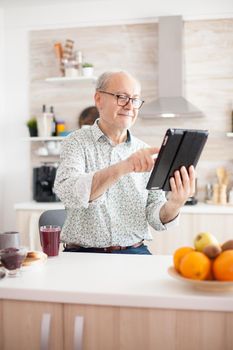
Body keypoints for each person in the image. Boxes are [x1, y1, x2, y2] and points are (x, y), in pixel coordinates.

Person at [54, 71, 195, 255]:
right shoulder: (75, 142)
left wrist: (175, 203)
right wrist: (125, 166)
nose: (130, 106)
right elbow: (69, 192)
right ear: (98, 99)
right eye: (121, 97)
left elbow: (155, 215)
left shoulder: (143, 151)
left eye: (135, 99)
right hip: (83, 253)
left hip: (135, 251)